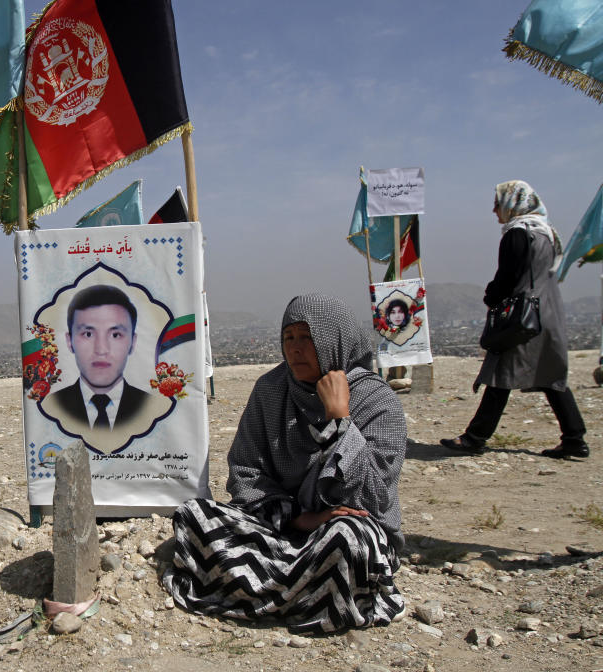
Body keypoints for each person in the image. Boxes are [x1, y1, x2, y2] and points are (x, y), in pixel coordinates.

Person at [162, 294, 406, 634]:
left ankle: (256, 590)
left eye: (307, 337)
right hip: (285, 528)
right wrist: (301, 518)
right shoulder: (271, 390)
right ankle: (309, 595)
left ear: (334, 338)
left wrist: (340, 418)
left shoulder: (377, 402)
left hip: (342, 531)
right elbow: (246, 472)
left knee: (347, 541)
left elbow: (370, 498)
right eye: (289, 337)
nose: (295, 348)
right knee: (194, 514)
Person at [441, 181, 589, 459]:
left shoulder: (518, 233)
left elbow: (508, 278)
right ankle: (574, 437)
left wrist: (491, 295)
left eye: (498, 203)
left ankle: (474, 438)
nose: (495, 210)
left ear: (513, 203)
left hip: (523, 315)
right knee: (551, 373)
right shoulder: (546, 233)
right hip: (548, 310)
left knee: (500, 372)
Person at [45, 284, 151, 431]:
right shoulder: (50, 407)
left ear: (133, 342)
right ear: (70, 342)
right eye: (88, 334)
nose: (101, 350)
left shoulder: (152, 407)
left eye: (115, 335)